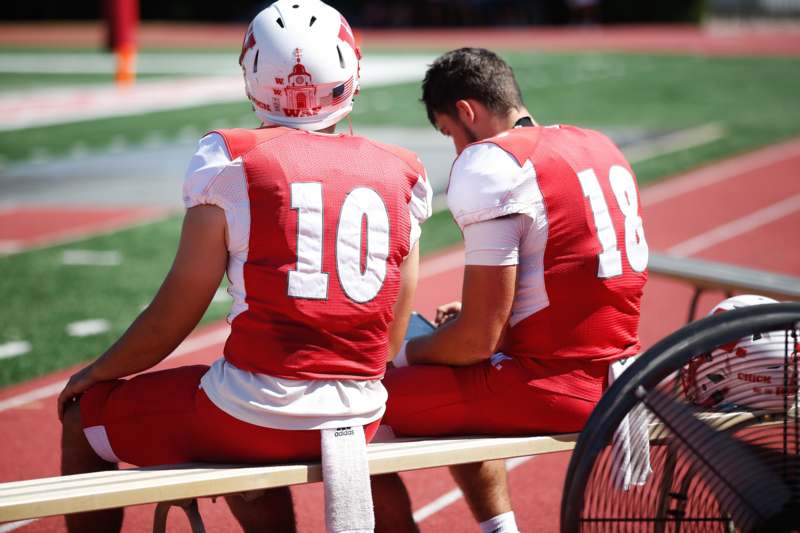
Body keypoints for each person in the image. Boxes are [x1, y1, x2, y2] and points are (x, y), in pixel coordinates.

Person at [56, 1, 432, 531]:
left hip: (253, 413)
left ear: (254, 75)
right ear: (349, 73)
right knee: (244, 417)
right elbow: (390, 340)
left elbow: (176, 312)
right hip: (360, 414)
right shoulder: (405, 172)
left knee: (83, 418)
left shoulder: (230, 159)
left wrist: (97, 373)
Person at [371, 48, 649, 533]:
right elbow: (575, 278)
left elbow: (478, 341)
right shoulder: (597, 144)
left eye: (450, 135)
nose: (458, 150)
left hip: (554, 386)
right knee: (452, 357)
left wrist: (407, 355)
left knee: (352, 406)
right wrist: (502, 314)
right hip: (621, 375)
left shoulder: (493, 164)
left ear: (466, 112)